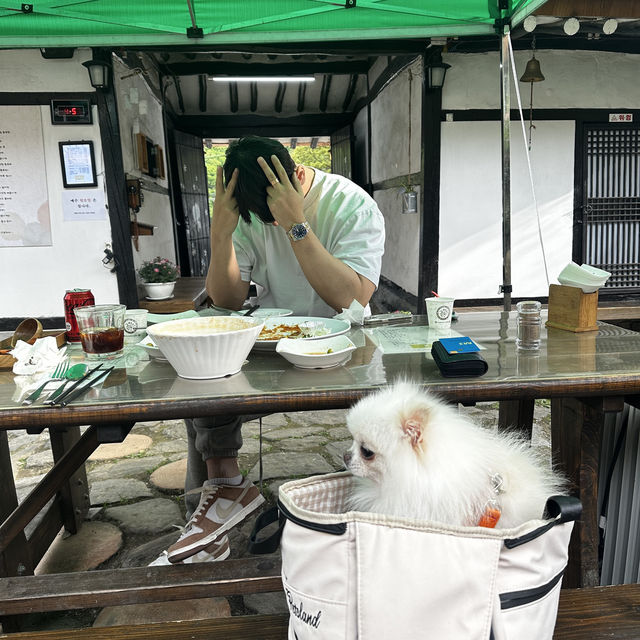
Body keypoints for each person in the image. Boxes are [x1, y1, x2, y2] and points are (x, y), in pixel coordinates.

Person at [162, 136, 385, 564]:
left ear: (298, 174)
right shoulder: (244, 213)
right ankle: (217, 509)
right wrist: (222, 233)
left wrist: (295, 224)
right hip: (271, 344)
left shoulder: (351, 204)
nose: (263, 226)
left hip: (344, 348)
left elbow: (352, 299)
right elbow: (227, 300)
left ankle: (219, 506)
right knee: (204, 387)